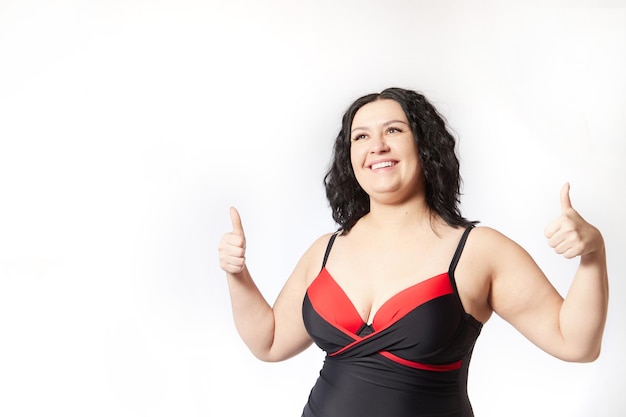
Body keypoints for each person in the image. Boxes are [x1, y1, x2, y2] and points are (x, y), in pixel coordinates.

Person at [218, 87, 608, 417]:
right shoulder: (327, 250)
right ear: (349, 156)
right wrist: (237, 275)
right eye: (361, 137)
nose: (377, 146)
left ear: (424, 145)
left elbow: (576, 344)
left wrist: (592, 253)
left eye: (393, 130)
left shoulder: (477, 250)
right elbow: (268, 342)